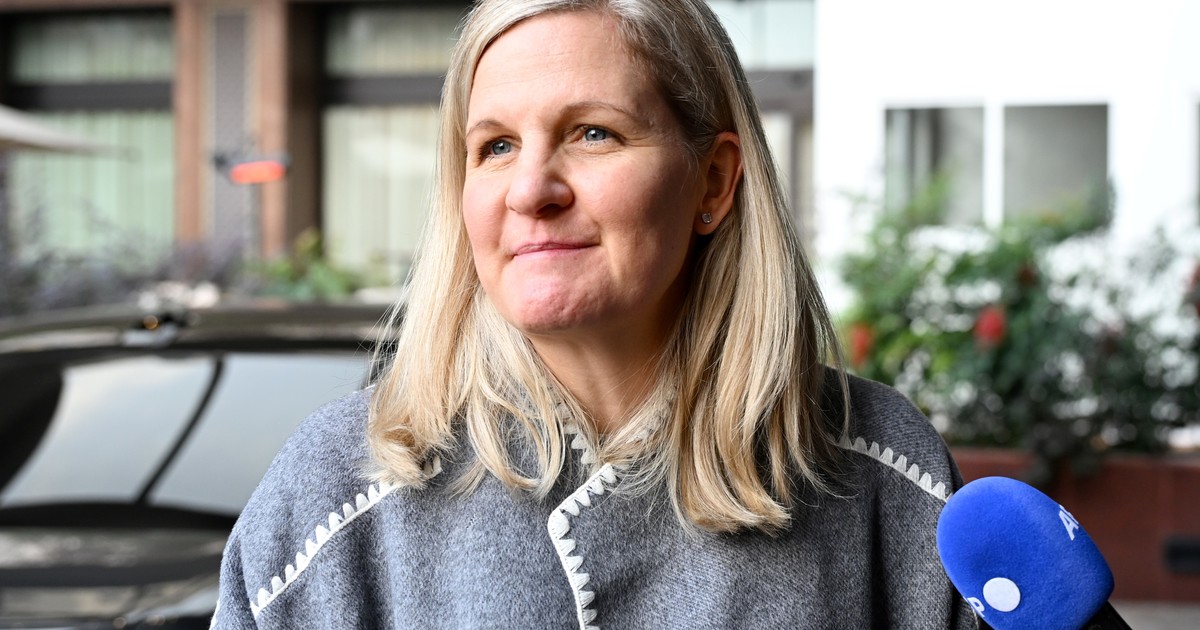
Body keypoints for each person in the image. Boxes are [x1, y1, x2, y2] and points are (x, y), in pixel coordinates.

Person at [213, 0, 978, 628]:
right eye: (496, 146)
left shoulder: (886, 475)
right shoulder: (332, 497)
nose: (530, 190)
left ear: (713, 182)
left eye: (592, 133)